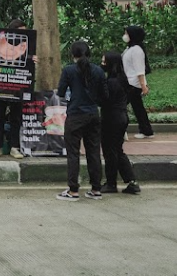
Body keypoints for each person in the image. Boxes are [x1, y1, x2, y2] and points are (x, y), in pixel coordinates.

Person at [56, 41, 105, 201]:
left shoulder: (69, 70)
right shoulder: (98, 70)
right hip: (93, 114)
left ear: (72, 54)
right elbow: (104, 95)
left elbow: (61, 92)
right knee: (93, 152)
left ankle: (73, 190)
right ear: (89, 53)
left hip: (75, 114)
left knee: (73, 153)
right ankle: (96, 189)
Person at [0, 19, 30, 160]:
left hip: (17, 86)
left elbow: (28, 64)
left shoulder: (26, 46)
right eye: (21, 31)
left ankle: (15, 148)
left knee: (16, 118)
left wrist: (33, 60)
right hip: (0, 85)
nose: (24, 35)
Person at [99, 52, 141, 195]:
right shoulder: (122, 79)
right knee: (117, 150)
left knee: (110, 151)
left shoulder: (111, 82)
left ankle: (111, 183)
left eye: (104, 62)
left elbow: (104, 100)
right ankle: (131, 181)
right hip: (121, 116)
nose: (102, 64)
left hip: (111, 118)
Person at [122, 25, 154, 139]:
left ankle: (121, 130)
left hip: (133, 84)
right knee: (138, 108)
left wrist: (143, 86)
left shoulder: (136, 50)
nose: (125, 36)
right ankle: (147, 130)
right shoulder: (130, 49)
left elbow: (140, 69)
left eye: (127, 33)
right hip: (129, 82)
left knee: (120, 106)